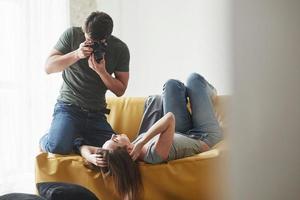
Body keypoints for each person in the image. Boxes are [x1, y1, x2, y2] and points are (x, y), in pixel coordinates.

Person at [80, 73, 223, 200]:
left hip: (180, 132)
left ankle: (192, 96)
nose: (113, 136)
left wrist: (91, 157)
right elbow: (169, 118)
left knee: (171, 84)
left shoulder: (131, 148)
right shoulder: (154, 154)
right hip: (204, 136)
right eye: (115, 140)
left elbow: (84, 147)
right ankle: (208, 94)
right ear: (128, 150)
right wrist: (142, 142)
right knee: (194, 79)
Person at [39, 11, 130, 154]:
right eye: (88, 39)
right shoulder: (72, 35)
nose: (90, 44)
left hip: (96, 114)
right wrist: (76, 54)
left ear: (106, 38)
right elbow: (48, 67)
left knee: (117, 153)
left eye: (95, 42)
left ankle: (77, 142)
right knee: (57, 147)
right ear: (84, 29)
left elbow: (120, 90)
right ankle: (49, 137)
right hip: (69, 108)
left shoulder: (120, 49)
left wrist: (102, 72)